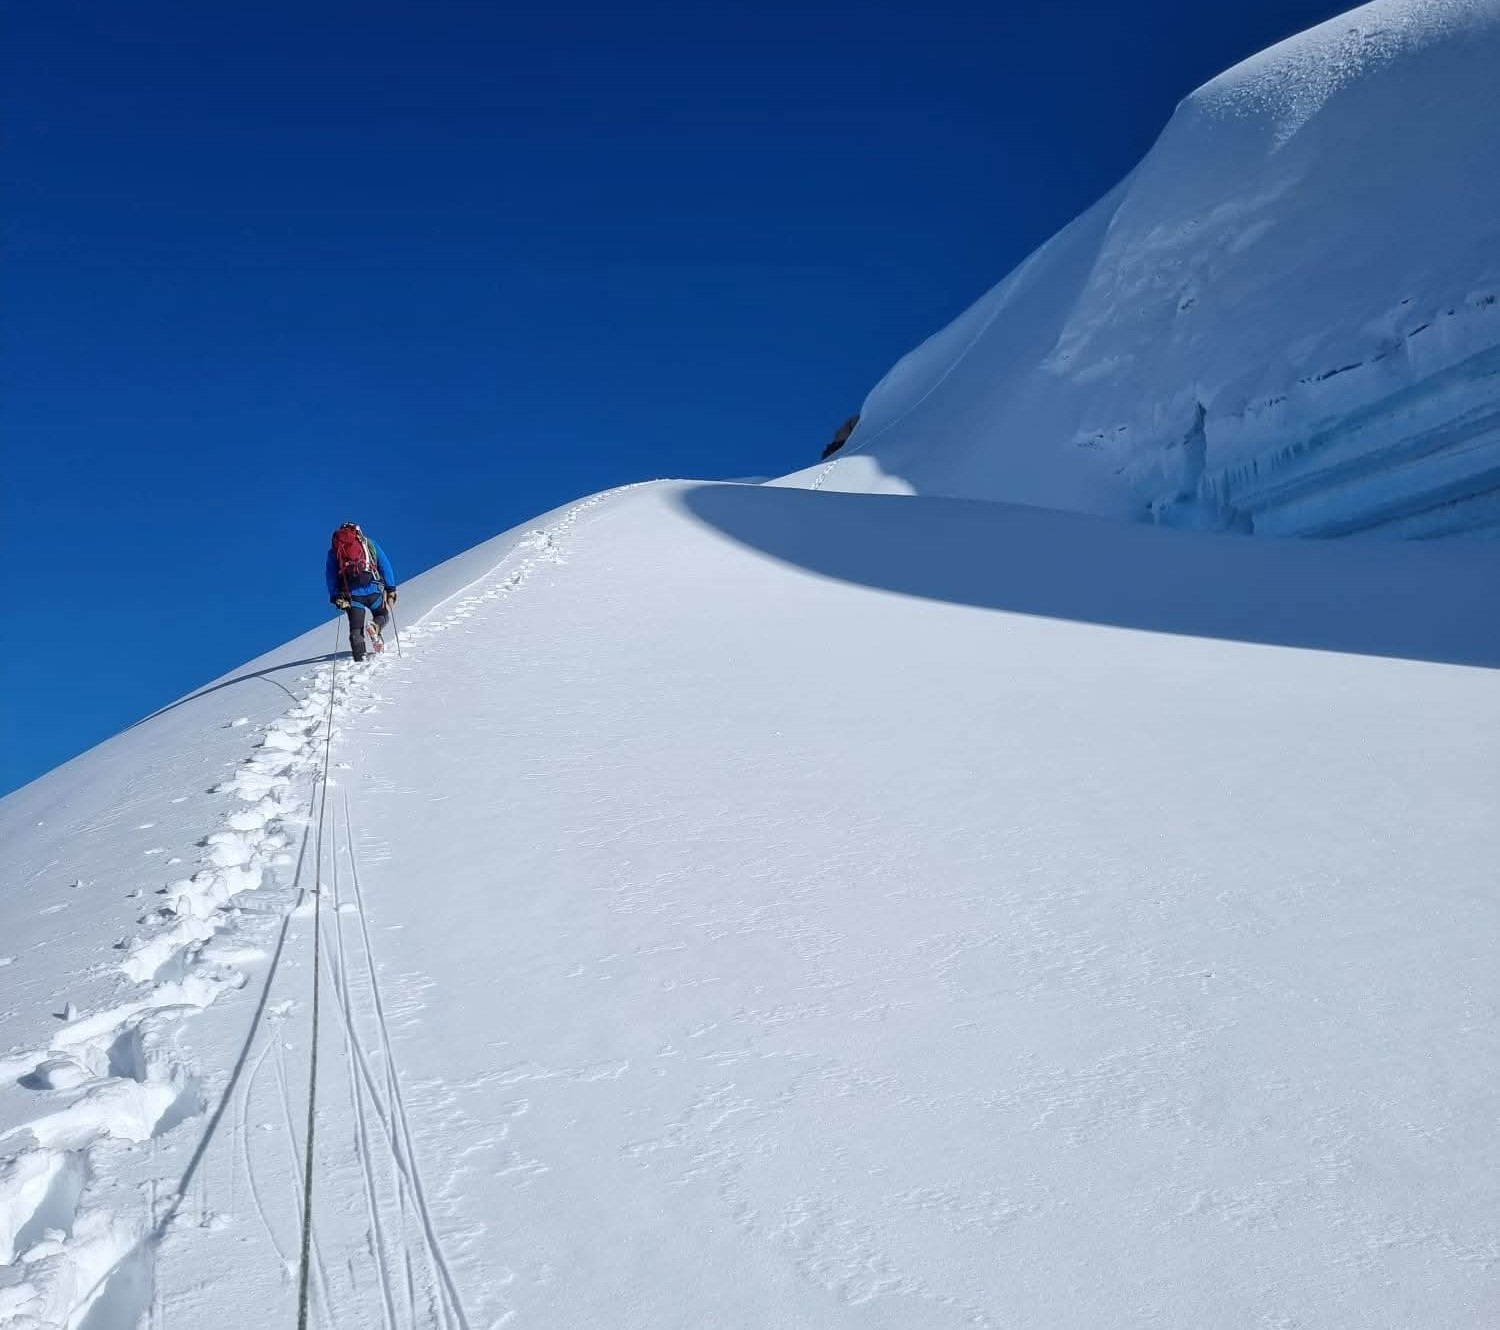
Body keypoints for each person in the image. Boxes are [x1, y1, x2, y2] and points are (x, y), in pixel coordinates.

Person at [326, 523, 398, 661]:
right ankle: (375, 625)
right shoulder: (369, 543)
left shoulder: (335, 551)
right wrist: (391, 589)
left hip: (352, 596)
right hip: (373, 590)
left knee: (356, 629)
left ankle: (360, 659)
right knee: (382, 614)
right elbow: (385, 565)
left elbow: (330, 575)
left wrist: (335, 596)